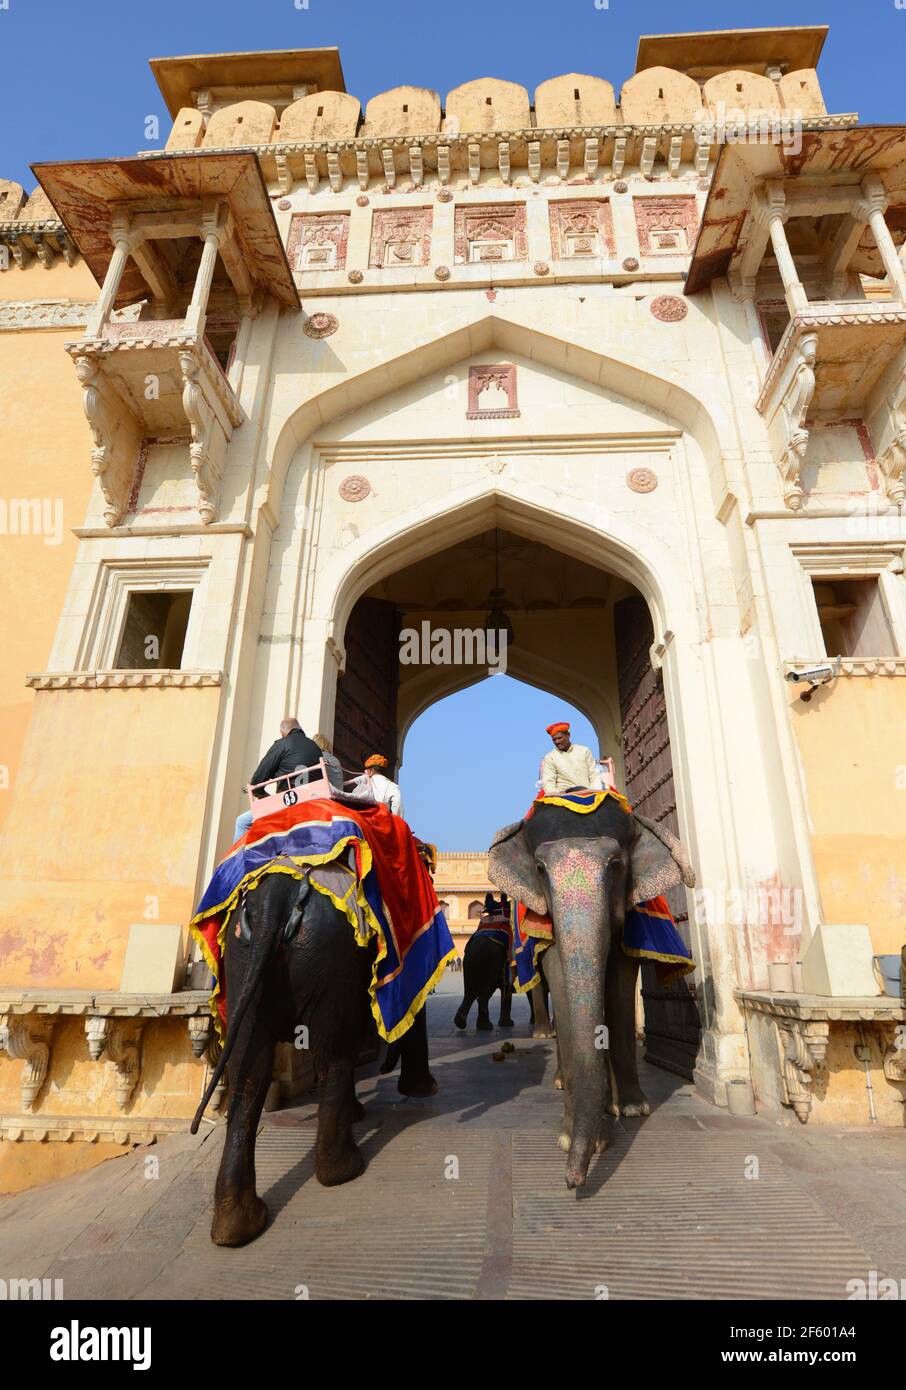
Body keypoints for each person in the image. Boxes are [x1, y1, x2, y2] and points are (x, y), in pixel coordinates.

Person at [233, 717, 323, 842]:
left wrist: (261, 794)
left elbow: (258, 780)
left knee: (242, 822)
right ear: (300, 729)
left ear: (282, 733)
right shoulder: (315, 747)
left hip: (287, 801)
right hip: (313, 798)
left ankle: (237, 860)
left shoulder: (282, 744)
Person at [539, 720, 604, 796]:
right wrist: (555, 794)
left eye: (559, 738)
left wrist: (594, 791)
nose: (557, 742)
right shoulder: (550, 757)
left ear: (568, 735)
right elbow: (548, 780)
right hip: (564, 795)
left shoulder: (584, 751)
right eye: (554, 740)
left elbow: (594, 774)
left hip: (587, 793)